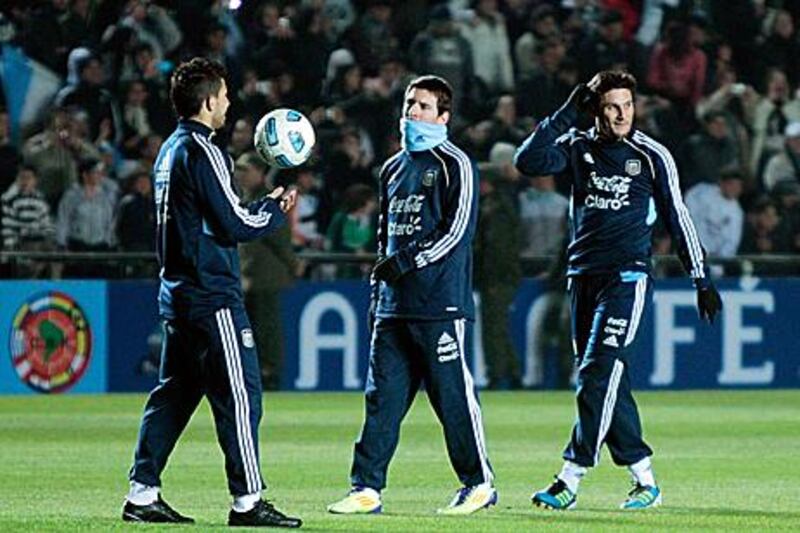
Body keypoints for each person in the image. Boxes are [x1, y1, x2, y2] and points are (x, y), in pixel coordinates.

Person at [514, 70, 722, 511]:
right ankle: (645, 479)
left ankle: (570, 477)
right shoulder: (576, 147)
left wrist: (700, 277)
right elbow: (528, 161)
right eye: (611, 106)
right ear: (595, 109)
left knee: (596, 372)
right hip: (582, 276)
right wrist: (568, 111)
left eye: (628, 105)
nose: (622, 114)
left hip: (627, 278)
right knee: (611, 380)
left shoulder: (650, 155)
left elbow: (677, 215)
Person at [122, 57, 301, 528]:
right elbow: (234, 222)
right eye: (222, 95)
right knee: (242, 395)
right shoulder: (203, 151)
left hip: (179, 291)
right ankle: (248, 502)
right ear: (207, 102)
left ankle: (142, 493)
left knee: (175, 395)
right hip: (211, 295)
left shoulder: (169, 151)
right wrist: (274, 211)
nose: (228, 102)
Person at [327, 75, 496, 516]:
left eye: (422, 106)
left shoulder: (454, 163)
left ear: (443, 116)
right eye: (408, 104)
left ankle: (479, 484)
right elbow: (385, 238)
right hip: (393, 306)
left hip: (439, 303)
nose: (412, 112)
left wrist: (408, 261)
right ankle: (366, 487)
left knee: (452, 398)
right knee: (381, 399)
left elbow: (458, 232)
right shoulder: (391, 168)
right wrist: (376, 291)